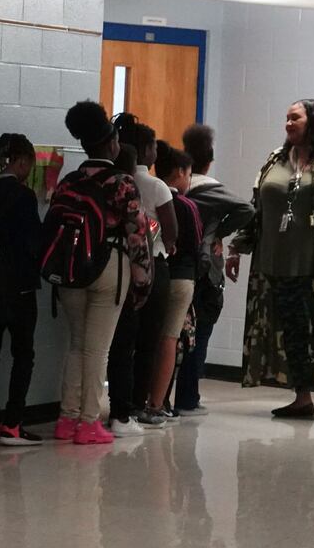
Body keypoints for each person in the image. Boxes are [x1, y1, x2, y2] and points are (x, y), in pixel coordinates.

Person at [228, 99, 314, 426]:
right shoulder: (276, 158)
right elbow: (255, 207)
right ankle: (301, 398)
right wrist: (237, 246)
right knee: (291, 332)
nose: (288, 123)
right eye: (286, 118)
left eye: (295, 118)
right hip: (276, 261)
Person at [52, 101, 149, 446]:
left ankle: (67, 417)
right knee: (98, 350)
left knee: (77, 345)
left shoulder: (69, 182)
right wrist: (142, 281)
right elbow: (138, 234)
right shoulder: (122, 183)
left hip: (71, 271)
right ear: (112, 144)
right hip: (110, 267)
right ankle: (89, 422)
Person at [176, 123, 254, 416]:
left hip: (176, 269)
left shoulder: (174, 187)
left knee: (173, 334)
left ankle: (161, 399)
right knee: (200, 334)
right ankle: (188, 398)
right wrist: (220, 232)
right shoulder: (211, 190)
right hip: (205, 272)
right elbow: (247, 210)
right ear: (209, 161)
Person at [106, 116, 173, 436]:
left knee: (120, 340)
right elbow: (172, 231)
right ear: (146, 150)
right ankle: (137, 404)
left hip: (116, 269)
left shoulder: (112, 180)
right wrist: (167, 245)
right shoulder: (155, 185)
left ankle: (115, 404)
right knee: (148, 340)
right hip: (152, 264)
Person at [0, 133, 44, 445]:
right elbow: (34, 243)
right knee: (23, 354)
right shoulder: (25, 196)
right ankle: (13, 423)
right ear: (21, 161)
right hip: (20, 287)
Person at [138, 145, 199, 427]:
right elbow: (193, 245)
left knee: (143, 337)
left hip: (147, 274)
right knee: (169, 339)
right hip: (178, 278)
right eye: (189, 173)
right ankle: (157, 403)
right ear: (179, 173)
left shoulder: (138, 190)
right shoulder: (186, 206)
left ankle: (134, 399)